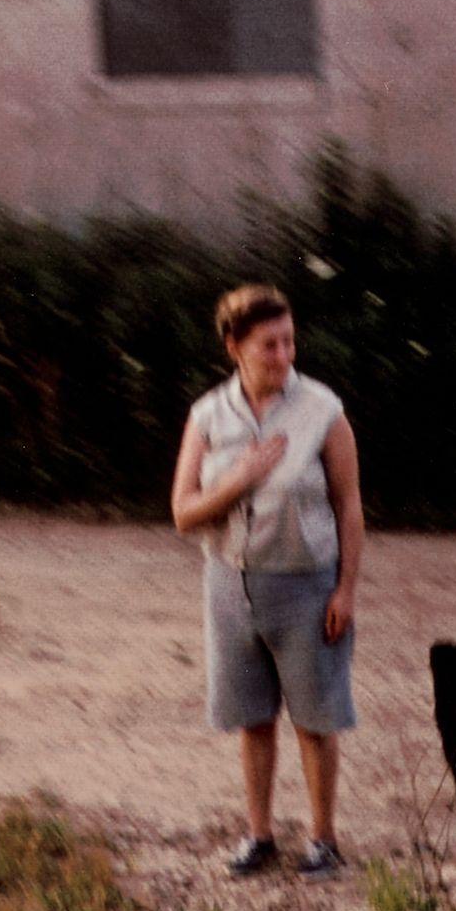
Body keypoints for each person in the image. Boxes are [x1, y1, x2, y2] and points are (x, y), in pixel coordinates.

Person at [169, 281, 367, 876]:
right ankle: (259, 837)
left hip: (308, 585)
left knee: (315, 719)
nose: (283, 356)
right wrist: (238, 479)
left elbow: (350, 505)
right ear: (233, 346)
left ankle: (323, 841)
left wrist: (346, 589)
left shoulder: (323, 411)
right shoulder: (207, 416)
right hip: (230, 585)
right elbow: (183, 513)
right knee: (254, 720)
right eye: (268, 345)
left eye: (289, 342)